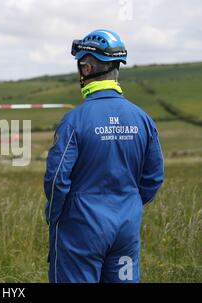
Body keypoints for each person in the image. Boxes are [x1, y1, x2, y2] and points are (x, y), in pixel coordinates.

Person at [43, 29, 164, 283]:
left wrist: (54, 216)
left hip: (80, 227)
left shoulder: (74, 121)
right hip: (126, 228)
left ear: (86, 69)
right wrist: (127, 203)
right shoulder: (142, 119)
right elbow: (154, 177)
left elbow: (56, 180)